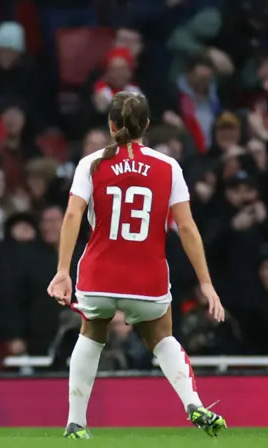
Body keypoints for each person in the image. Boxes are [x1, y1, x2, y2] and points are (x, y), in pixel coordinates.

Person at [47, 91, 227, 439]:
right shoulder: (168, 166)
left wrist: (63, 270)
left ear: (110, 124)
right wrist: (206, 283)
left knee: (91, 333)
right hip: (148, 279)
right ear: (146, 125)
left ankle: (75, 422)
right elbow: (187, 227)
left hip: (99, 275)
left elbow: (72, 214)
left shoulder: (92, 163)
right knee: (162, 338)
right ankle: (193, 402)